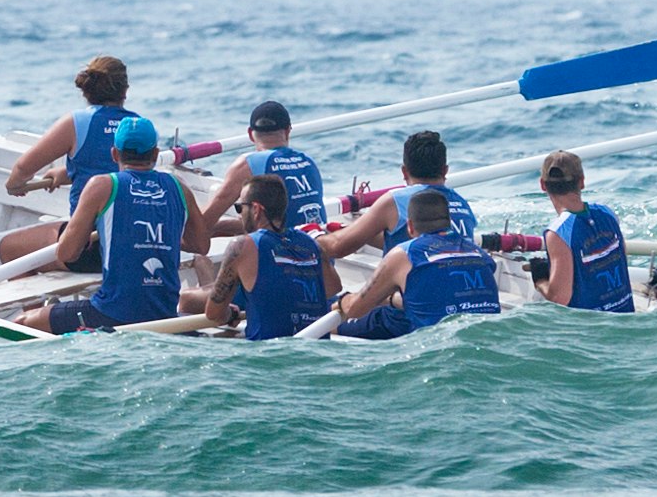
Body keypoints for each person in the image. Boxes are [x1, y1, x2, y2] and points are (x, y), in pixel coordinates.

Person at [20, 113, 206, 332]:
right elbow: (201, 246)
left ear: (114, 153)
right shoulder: (179, 187)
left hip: (111, 313)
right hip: (164, 314)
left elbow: (66, 253)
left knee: (23, 322)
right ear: (156, 154)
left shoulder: (101, 186)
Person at [0, 56, 145, 270]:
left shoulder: (76, 123)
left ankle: (38, 305)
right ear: (125, 90)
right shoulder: (139, 126)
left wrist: (14, 185)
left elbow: (22, 169)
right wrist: (66, 172)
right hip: (133, 244)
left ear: (86, 89)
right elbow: (116, 169)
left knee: (9, 248)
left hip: (90, 249)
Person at [328, 186, 502, 339]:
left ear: (410, 226)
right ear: (449, 223)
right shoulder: (480, 254)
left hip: (435, 346)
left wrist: (343, 301)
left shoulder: (404, 254)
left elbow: (355, 310)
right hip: (485, 337)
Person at [312, 128, 479, 260]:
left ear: (404, 172)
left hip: (410, 300)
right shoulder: (462, 203)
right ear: (445, 171)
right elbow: (422, 245)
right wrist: (352, 230)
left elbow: (336, 248)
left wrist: (312, 233)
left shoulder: (395, 201)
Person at [201, 174, 331, 338]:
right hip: (316, 351)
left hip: (268, 356)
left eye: (240, 207)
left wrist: (230, 314)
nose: (239, 215)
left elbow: (213, 313)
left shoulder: (242, 246)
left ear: (256, 209)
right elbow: (333, 287)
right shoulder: (311, 243)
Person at [197, 99, 327, 238]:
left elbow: (204, 222)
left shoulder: (247, 165)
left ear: (250, 134)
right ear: (288, 131)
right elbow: (288, 220)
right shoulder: (309, 162)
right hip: (318, 250)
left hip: (282, 253)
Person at [533, 150, 636, 312]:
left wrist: (540, 280)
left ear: (543, 185)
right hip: (625, 318)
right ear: (581, 182)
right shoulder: (607, 213)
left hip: (590, 331)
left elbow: (560, 298)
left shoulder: (558, 232)